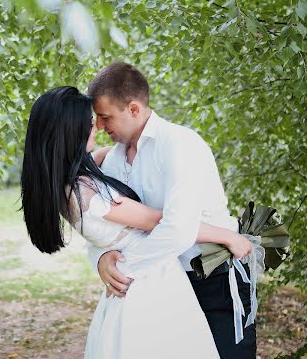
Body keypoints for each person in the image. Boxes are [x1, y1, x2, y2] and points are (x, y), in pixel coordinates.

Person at [20, 85, 252, 358]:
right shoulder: (85, 189)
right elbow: (160, 222)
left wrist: (108, 257)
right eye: (92, 123)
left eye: (103, 119)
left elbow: (111, 226)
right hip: (149, 285)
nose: (99, 127)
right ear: (72, 132)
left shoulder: (72, 178)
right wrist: (228, 236)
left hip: (195, 278)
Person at [87, 62, 257, 358]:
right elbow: (105, 225)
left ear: (134, 109)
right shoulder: (113, 161)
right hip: (162, 287)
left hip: (215, 276)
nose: (100, 127)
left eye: (105, 117)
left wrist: (124, 268)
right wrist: (101, 258)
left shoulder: (180, 145)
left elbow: (177, 231)